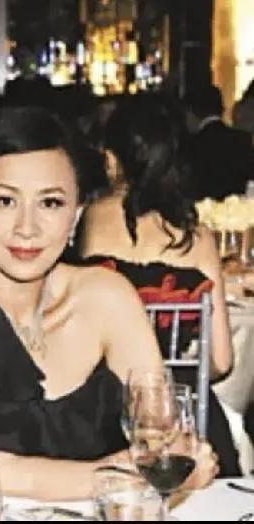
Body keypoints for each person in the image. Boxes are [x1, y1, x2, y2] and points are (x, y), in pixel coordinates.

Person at [0, 106, 217, 500]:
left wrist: (177, 454)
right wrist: (123, 475)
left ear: (77, 214)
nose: (27, 227)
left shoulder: (106, 297)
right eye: (4, 201)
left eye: (50, 203)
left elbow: (159, 430)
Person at [80, 95, 242, 476]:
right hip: (181, 419)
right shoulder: (197, 237)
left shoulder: (93, 218)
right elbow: (221, 361)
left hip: (105, 409)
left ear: (112, 160)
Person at [184, 83, 254, 200]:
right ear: (222, 109)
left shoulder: (190, 146)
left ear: (191, 112)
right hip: (238, 208)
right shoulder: (243, 139)